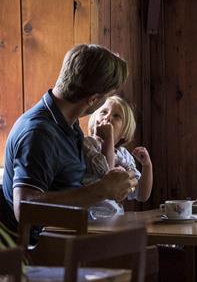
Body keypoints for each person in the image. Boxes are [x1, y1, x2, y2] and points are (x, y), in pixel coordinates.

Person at [0, 44, 137, 232]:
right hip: (40, 252)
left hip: (71, 240)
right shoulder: (39, 133)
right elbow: (24, 209)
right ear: (93, 99)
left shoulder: (69, 125)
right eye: (107, 97)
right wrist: (102, 189)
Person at [83, 95, 153, 216]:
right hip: (91, 216)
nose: (108, 117)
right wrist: (108, 138)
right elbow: (106, 174)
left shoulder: (123, 155)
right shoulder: (88, 144)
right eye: (104, 112)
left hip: (115, 216)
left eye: (116, 116)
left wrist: (147, 165)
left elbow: (142, 195)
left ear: (124, 132)